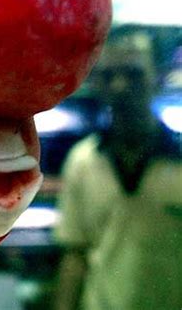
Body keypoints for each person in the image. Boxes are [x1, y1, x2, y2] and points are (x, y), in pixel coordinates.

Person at [53, 29, 182, 310]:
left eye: (133, 74)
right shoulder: (82, 161)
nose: (120, 86)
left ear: (158, 77)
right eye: (108, 75)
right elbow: (75, 256)